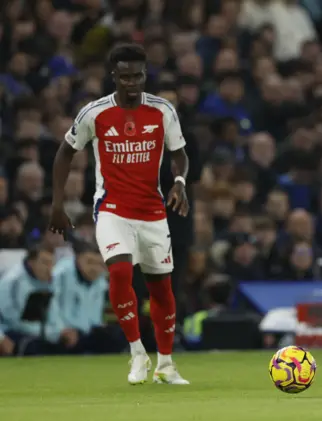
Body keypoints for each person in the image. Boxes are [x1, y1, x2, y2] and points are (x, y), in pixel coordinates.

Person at [48, 44, 190, 385]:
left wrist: (180, 181)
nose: (132, 82)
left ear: (145, 75)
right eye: (124, 76)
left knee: (161, 290)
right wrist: (57, 204)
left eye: (137, 75)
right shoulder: (94, 114)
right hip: (112, 209)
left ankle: (166, 365)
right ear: (113, 77)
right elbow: (64, 153)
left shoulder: (163, 110)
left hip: (153, 211)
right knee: (121, 271)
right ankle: (137, 353)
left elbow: (179, 154)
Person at [0, 245, 77, 356]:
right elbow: (15, 321)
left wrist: (62, 330)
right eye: (45, 262)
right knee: (36, 347)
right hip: (10, 331)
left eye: (52, 263)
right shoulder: (13, 282)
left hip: (40, 332)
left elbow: (53, 311)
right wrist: (54, 334)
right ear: (31, 262)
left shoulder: (47, 280)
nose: (49, 268)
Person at [53, 241, 127, 354]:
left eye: (99, 264)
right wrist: (61, 329)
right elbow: (52, 307)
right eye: (89, 262)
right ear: (78, 259)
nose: (94, 268)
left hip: (87, 331)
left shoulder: (101, 281)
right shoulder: (61, 274)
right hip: (63, 332)